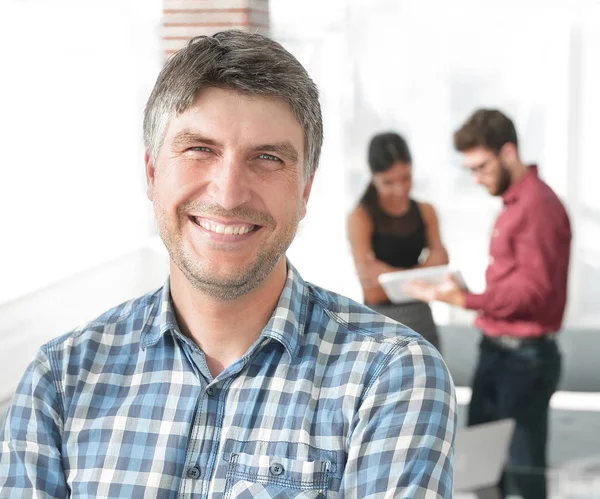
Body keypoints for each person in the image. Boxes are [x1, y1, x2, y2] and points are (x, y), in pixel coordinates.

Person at [0, 31, 456, 497]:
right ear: (153, 173)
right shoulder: (61, 379)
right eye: (200, 149)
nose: (229, 192)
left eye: (267, 157)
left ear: (304, 192)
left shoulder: (389, 376)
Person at [407, 109, 571, 499]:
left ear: (508, 152)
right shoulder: (516, 203)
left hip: (523, 360)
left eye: (482, 167)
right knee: (481, 470)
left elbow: (534, 293)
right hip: (499, 353)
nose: (477, 179)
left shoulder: (537, 206)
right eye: (471, 170)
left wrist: (463, 299)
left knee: (521, 475)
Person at [347, 132, 449, 352]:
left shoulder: (425, 211)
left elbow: (442, 268)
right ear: (373, 177)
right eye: (388, 182)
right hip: (380, 328)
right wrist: (423, 276)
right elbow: (373, 292)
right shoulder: (360, 217)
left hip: (423, 324)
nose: (400, 190)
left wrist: (388, 277)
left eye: (406, 178)